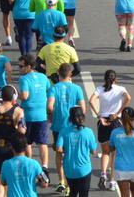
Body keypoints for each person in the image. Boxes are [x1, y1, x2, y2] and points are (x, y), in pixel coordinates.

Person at [47, 63, 86, 194]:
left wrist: (51, 116)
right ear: (70, 75)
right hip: (73, 127)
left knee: (59, 153)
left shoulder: (54, 88)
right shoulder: (77, 88)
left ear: (58, 73)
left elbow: (50, 106)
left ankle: (61, 182)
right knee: (70, 155)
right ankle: (70, 184)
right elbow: (83, 109)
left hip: (58, 126)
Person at [88, 69, 130, 192]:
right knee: (114, 154)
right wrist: (118, 113)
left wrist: (99, 115)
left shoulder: (100, 89)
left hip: (103, 122)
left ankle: (103, 174)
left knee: (105, 152)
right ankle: (112, 182)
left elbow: (91, 100)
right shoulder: (120, 89)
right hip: (115, 121)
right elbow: (128, 98)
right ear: (115, 79)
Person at [55, 107, 97, 197]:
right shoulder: (88, 132)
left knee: (72, 192)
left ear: (70, 118)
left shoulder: (63, 131)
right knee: (84, 194)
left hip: (69, 169)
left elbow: (58, 149)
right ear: (83, 117)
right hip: (84, 169)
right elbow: (93, 151)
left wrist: (68, 149)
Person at [108, 107, 134, 197]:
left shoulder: (115, 132)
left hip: (121, 169)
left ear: (121, 118)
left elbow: (111, 148)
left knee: (124, 194)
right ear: (133, 118)